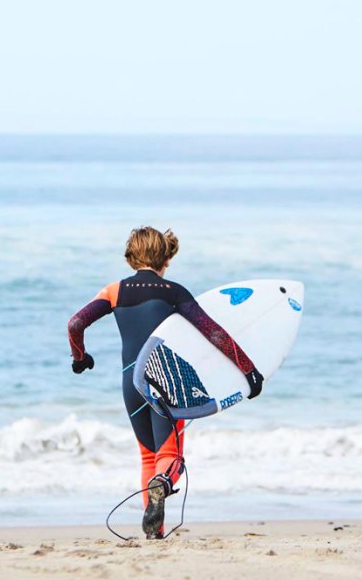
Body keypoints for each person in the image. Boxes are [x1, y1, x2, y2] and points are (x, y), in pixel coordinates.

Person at [67, 226, 263, 539]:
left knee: (148, 455)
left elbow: (75, 323)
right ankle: (163, 486)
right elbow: (214, 333)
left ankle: (153, 531)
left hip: (131, 383)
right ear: (166, 259)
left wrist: (80, 358)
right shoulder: (174, 291)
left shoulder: (113, 291)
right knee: (170, 459)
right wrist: (249, 371)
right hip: (166, 383)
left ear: (131, 257)